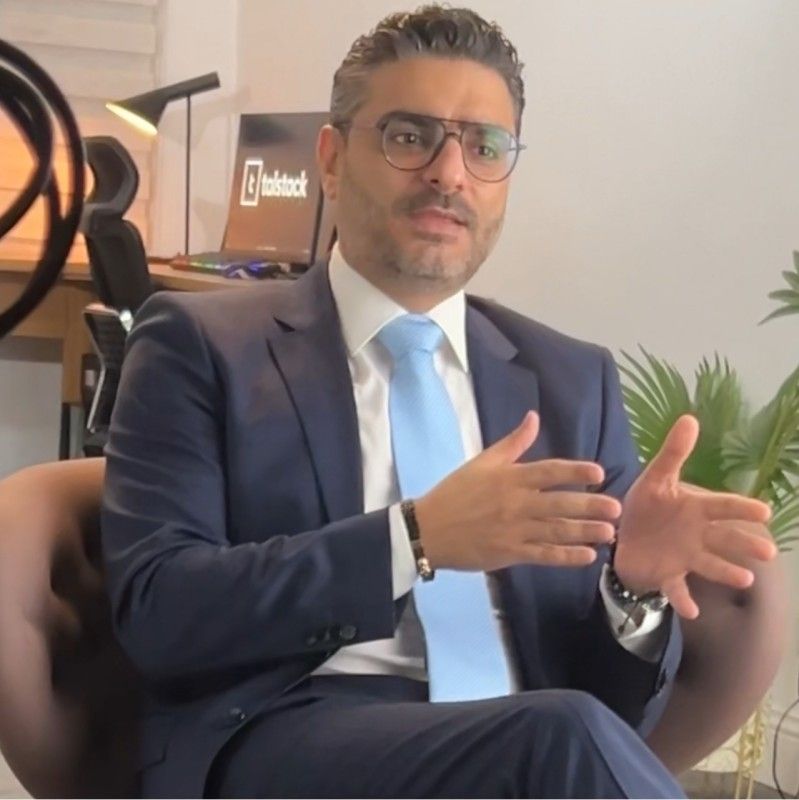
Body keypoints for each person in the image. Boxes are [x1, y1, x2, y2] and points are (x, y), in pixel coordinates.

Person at [102, 5, 777, 798]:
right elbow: (159, 611)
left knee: (560, 732)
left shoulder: (571, 380)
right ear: (331, 159)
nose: (449, 174)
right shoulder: (199, 344)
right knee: (556, 735)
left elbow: (617, 711)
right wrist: (413, 539)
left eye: (483, 147)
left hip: (522, 742)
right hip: (286, 732)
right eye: (408, 136)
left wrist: (630, 587)